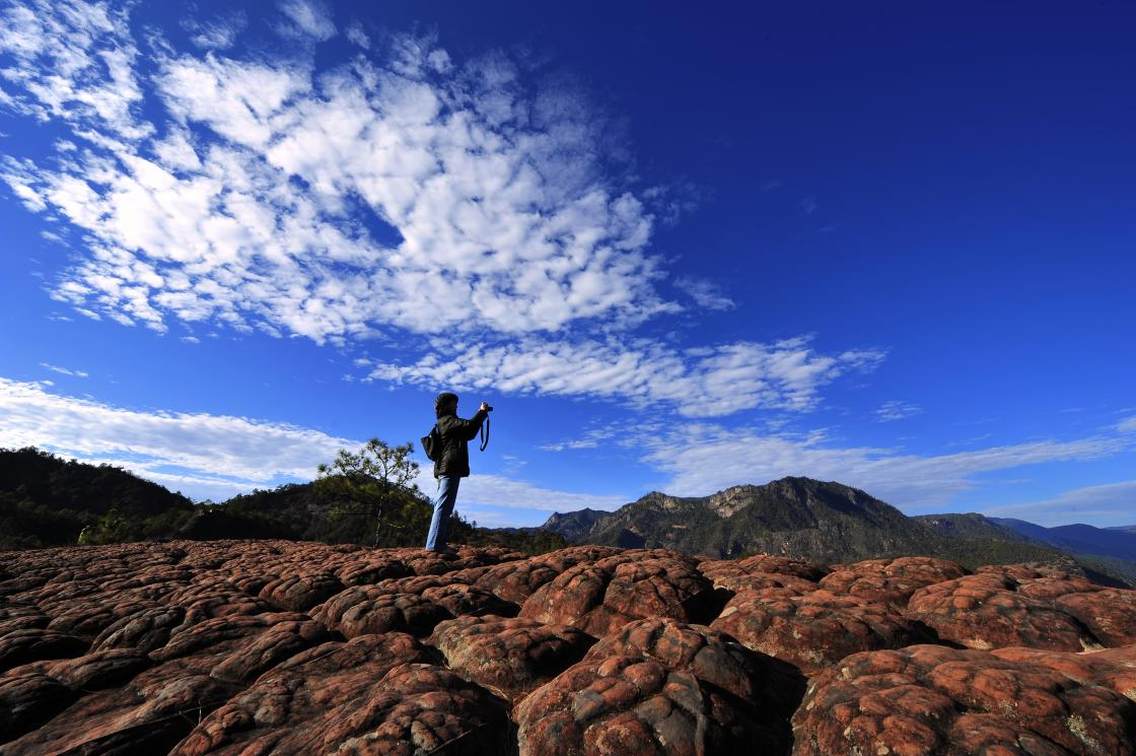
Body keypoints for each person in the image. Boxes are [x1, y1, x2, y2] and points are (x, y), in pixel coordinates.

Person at [425, 392, 490, 553]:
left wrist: (481, 415)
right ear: (447, 405)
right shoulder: (448, 421)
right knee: (443, 505)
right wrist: (482, 412)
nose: (457, 405)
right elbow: (469, 427)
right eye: (455, 403)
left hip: (445, 468)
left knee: (444, 504)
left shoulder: (444, 422)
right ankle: (435, 545)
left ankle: (436, 543)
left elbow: (469, 432)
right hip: (449, 468)